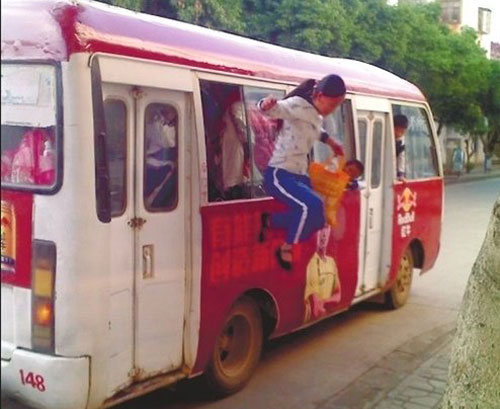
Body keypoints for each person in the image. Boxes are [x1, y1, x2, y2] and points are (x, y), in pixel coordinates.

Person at [257, 74, 346, 270]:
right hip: (280, 173)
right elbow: (275, 109)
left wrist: (331, 142)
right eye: (331, 106)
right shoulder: (297, 104)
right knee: (309, 206)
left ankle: (271, 221)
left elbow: (316, 130)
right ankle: (286, 248)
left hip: (298, 174)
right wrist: (266, 104)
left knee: (320, 217)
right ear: (320, 96)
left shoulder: (315, 115)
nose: (331, 111)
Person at [303, 225, 341, 322]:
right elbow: (316, 310)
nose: (323, 236)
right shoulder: (312, 263)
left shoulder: (331, 262)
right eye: (320, 231)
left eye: (326, 230)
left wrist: (324, 301)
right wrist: (327, 303)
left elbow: (338, 295)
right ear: (316, 234)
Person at [144, 106, 177, 208]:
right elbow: (167, 141)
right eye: (166, 112)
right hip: (152, 167)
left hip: (163, 166)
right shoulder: (154, 125)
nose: (168, 115)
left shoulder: (170, 125)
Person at [220, 88, 247, 200]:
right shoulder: (238, 107)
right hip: (236, 145)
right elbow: (242, 126)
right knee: (235, 174)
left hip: (230, 144)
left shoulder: (228, 109)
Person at [393, 114, 408, 181]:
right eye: (399, 129)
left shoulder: (401, 141)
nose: (401, 133)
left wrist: (401, 175)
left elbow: (401, 158)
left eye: (403, 130)